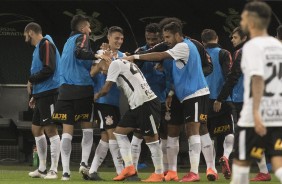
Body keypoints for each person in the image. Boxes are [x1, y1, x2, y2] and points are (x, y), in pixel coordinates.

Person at [125, 21, 210, 182]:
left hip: (193, 94)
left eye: (167, 37)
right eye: (164, 37)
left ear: (178, 34)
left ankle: (194, 171)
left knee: (191, 132)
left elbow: (160, 55)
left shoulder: (182, 47)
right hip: (178, 97)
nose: (166, 40)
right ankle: (168, 171)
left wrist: (134, 57)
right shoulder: (180, 48)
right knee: (186, 133)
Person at [51, 14, 110, 181]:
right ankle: (84, 164)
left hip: (65, 91)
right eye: (89, 27)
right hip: (82, 89)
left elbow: (79, 59)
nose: (90, 30)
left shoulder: (66, 43)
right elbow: (80, 52)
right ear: (83, 28)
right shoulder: (82, 37)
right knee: (87, 128)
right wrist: (99, 56)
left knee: (67, 132)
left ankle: (66, 172)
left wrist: (95, 58)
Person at [230, 2, 282, 184]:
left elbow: (258, 79)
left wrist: (255, 113)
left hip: (255, 112)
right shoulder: (277, 45)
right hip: (277, 110)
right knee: (277, 159)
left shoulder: (252, 47)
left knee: (241, 162)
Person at [94, 58, 164, 182]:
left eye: (102, 67)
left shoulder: (115, 64)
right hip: (136, 105)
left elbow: (105, 89)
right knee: (119, 133)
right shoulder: (124, 63)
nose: (102, 70)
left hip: (146, 103)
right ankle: (129, 167)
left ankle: (159, 173)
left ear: (108, 62)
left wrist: (95, 96)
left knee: (151, 139)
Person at [83, 26, 126, 180]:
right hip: (102, 100)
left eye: (121, 38)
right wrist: (102, 63)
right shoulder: (101, 53)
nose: (119, 41)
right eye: (116, 38)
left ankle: (93, 171)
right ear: (108, 38)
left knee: (105, 138)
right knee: (113, 134)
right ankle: (120, 171)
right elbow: (91, 73)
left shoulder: (122, 56)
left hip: (114, 101)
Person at [24, 22, 61, 179]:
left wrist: (31, 80)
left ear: (31, 32)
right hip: (41, 94)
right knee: (36, 129)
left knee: (51, 129)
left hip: (50, 92)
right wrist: (35, 94)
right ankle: (42, 168)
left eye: (26, 35)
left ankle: (53, 169)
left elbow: (49, 68)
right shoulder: (38, 48)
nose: (26, 39)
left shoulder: (45, 44)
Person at [131, 23, 167, 173]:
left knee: (164, 136)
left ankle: (165, 168)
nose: (151, 42)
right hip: (143, 101)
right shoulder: (139, 52)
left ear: (160, 37)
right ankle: (134, 167)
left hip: (163, 100)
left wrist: (164, 68)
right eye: (148, 38)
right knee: (139, 134)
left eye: (154, 39)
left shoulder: (166, 53)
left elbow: (173, 76)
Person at [201, 28, 233, 180]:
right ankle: (225, 156)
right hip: (222, 100)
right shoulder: (224, 53)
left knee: (207, 134)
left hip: (203, 100)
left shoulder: (200, 54)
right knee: (228, 133)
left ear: (203, 42)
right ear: (217, 38)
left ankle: (211, 168)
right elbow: (229, 76)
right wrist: (221, 98)